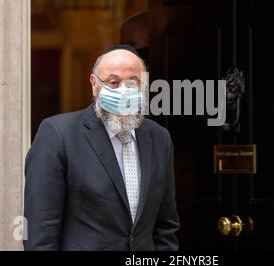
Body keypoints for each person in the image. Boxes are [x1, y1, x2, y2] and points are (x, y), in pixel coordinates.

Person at [23, 44, 179, 251]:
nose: (124, 90)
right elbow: (40, 232)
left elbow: (166, 225)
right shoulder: (58, 135)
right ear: (94, 84)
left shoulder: (159, 138)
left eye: (133, 82)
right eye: (114, 82)